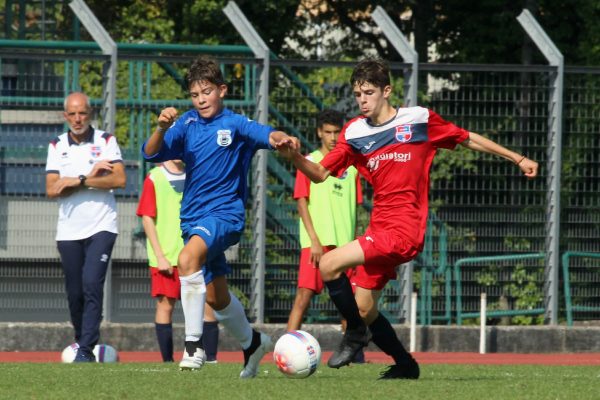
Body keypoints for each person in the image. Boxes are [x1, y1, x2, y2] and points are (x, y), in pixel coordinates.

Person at [277, 59, 539, 379]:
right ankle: (405, 364)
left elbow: (465, 137)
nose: (362, 99)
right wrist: (294, 157)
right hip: (379, 228)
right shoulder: (354, 132)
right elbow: (318, 174)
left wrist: (517, 157)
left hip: (404, 229)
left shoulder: (418, 120)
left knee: (329, 264)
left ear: (387, 91)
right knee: (363, 307)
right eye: (357, 93)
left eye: (369, 92)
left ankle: (355, 334)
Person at [141, 55, 294, 377]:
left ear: (221, 90)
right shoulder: (186, 124)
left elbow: (268, 134)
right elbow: (151, 153)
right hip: (193, 218)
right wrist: (161, 127)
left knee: (186, 260)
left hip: (225, 215)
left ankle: (193, 347)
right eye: (195, 95)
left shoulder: (235, 124)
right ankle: (252, 343)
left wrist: (280, 138)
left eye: (207, 92)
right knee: (216, 297)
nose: (201, 100)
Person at [45, 92, 127, 362]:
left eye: (82, 113)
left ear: (90, 113)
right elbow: (52, 189)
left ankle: (85, 349)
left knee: (92, 283)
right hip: (68, 230)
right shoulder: (57, 145)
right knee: (75, 292)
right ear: (64, 115)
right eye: (72, 114)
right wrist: (89, 176)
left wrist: (76, 181)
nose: (78, 119)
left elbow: (119, 180)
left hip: (102, 225)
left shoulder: (106, 141)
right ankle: (82, 341)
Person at [286, 109, 366, 363]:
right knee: (303, 297)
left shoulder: (351, 168)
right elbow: (301, 202)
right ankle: (286, 351)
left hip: (345, 247)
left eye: (336, 132)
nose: (332, 137)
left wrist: (355, 244)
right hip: (316, 245)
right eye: (327, 132)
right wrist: (314, 241)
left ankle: (354, 356)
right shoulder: (308, 162)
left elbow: (355, 207)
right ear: (319, 132)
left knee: (349, 304)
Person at [136, 159, 220, 363]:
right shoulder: (155, 178)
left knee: (208, 305)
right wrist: (160, 256)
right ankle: (167, 361)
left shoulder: (197, 173)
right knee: (166, 306)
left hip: (195, 254)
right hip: (166, 257)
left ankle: (211, 360)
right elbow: (147, 218)